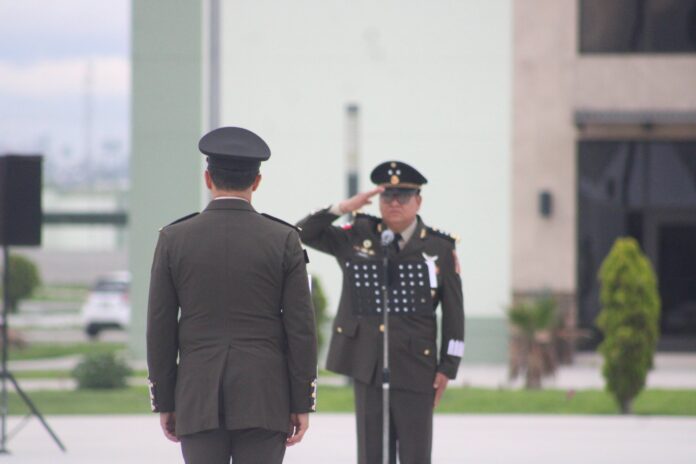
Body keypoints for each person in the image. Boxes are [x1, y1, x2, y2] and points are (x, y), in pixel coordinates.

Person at [147, 126, 318, 464]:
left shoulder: (173, 239)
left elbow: (160, 327)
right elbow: (301, 329)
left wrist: (165, 400)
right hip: (265, 398)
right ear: (256, 182)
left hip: (197, 398)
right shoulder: (283, 239)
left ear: (207, 177)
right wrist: (301, 402)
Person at [297, 161, 465, 464]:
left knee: (415, 454)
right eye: (388, 196)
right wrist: (344, 206)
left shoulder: (439, 247)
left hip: (417, 365)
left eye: (404, 196)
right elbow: (302, 232)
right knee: (371, 454)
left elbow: (455, 315)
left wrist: (447, 366)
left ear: (419, 200)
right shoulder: (359, 233)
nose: (395, 203)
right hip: (368, 362)